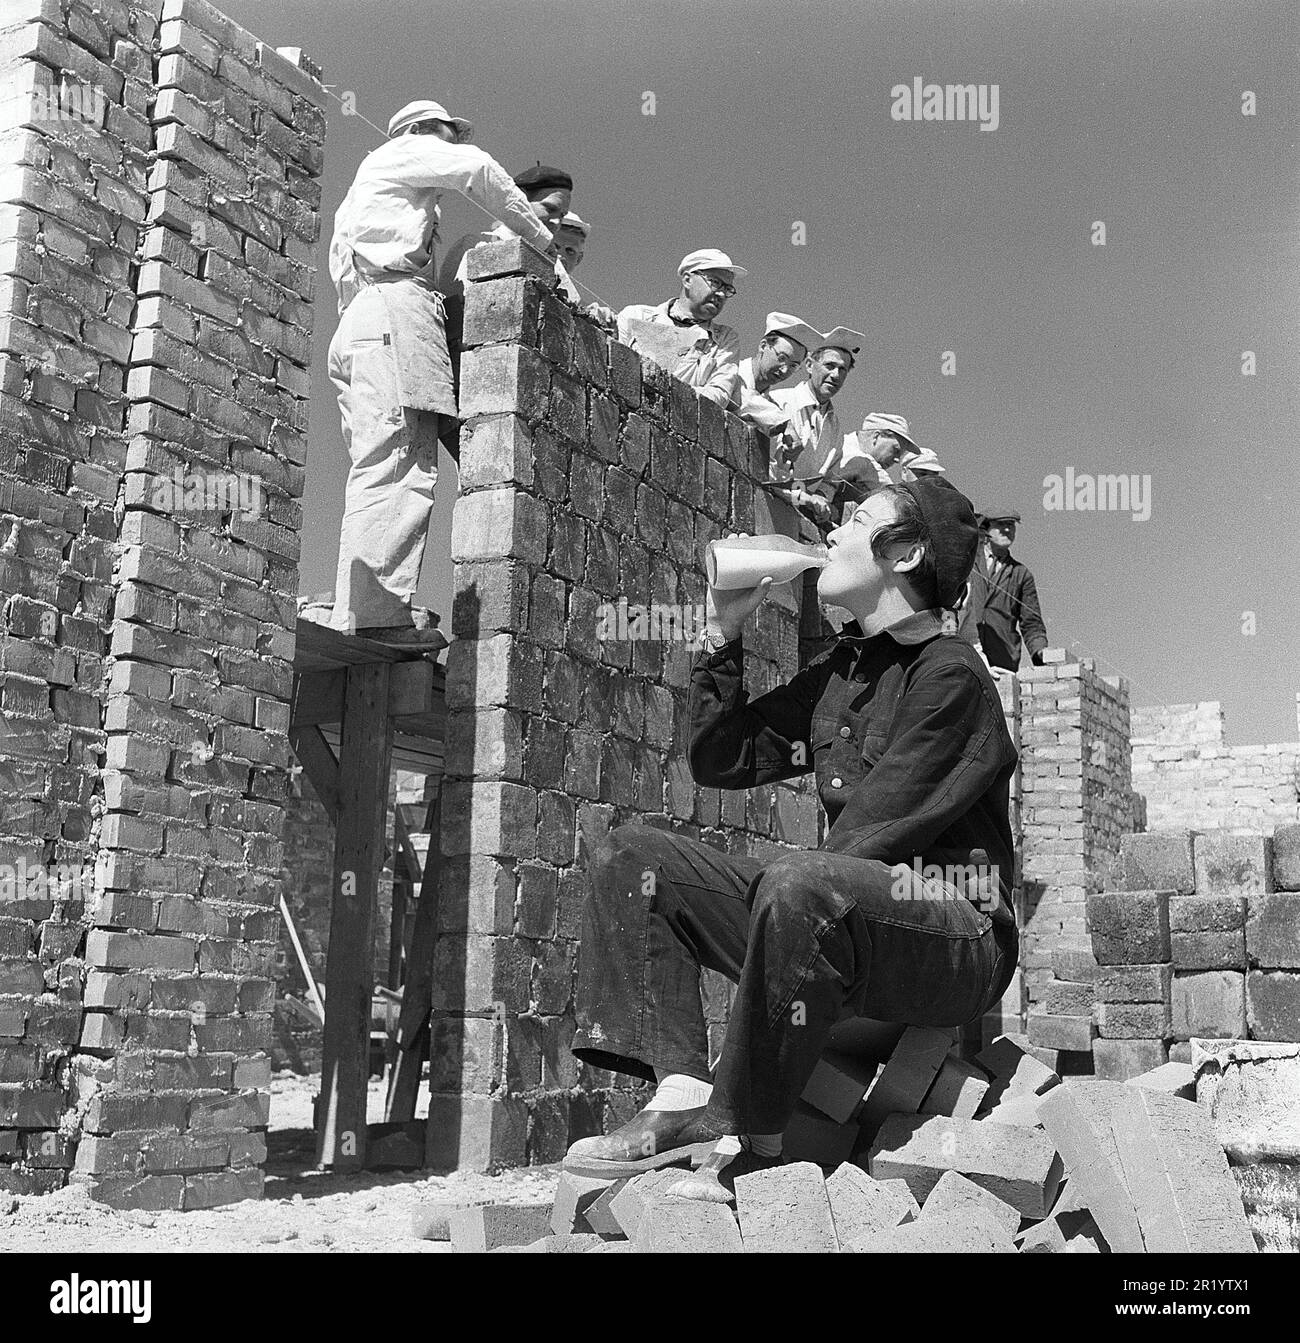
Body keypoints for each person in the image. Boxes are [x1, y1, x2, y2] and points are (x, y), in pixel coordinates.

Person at [564, 476, 1019, 1200]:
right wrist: (723, 632)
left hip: (955, 936)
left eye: (860, 520)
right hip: (837, 908)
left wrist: (785, 916)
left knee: (803, 880)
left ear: (903, 552)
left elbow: (871, 835)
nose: (833, 531)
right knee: (631, 855)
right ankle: (682, 1090)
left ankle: (749, 1132)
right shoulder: (843, 672)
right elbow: (723, 756)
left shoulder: (953, 676)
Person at [324, 99, 555, 640]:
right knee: (403, 460)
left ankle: (358, 611)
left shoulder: (375, 193)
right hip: (392, 310)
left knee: (380, 460)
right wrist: (540, 242)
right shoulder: (398, 154)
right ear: (421, 133)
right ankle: (377, 619)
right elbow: (475, 169)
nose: (448, 148)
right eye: (444, 137)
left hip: (362, 323)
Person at [616, 249, 745, 406]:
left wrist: (664, 389)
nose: (722, 295)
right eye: (715, 283)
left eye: (727, 289)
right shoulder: (635, 316)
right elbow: (618, 369)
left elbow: (718, 395)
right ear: (687, 280)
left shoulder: (724, 340)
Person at [768, 328, 864, 525]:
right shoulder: (779, 403)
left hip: (799, 519)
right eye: (829, 365)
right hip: (769, 508)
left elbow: (831, 478)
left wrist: (820, 496)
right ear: (810, 365)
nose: (835, 375)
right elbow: (769, 475)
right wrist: (805, 498)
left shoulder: (835, 427)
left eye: (842, 369)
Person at [437, 162, 573, 301]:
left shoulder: (557, 270)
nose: (557, 223)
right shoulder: (473, 247)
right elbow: (451, 308)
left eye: (562, 215)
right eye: (549, 209)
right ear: (521, 199)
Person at [960, 510, 1049, 671]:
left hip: (1003, 657)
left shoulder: (1021, 574)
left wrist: (1041, 652)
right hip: (968, 651)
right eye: (1001, 525)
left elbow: (1031, 623)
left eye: (1011, 525)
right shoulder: (968, 560)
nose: (1007, 530)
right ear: (987, 529)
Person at [730, 312, 818, 433]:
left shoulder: (771, 405)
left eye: (793, 366)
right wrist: (783, 424)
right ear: (763, 346)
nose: (785, 370)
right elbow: (741, 397)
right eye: (781, 358)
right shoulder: (730, 372)